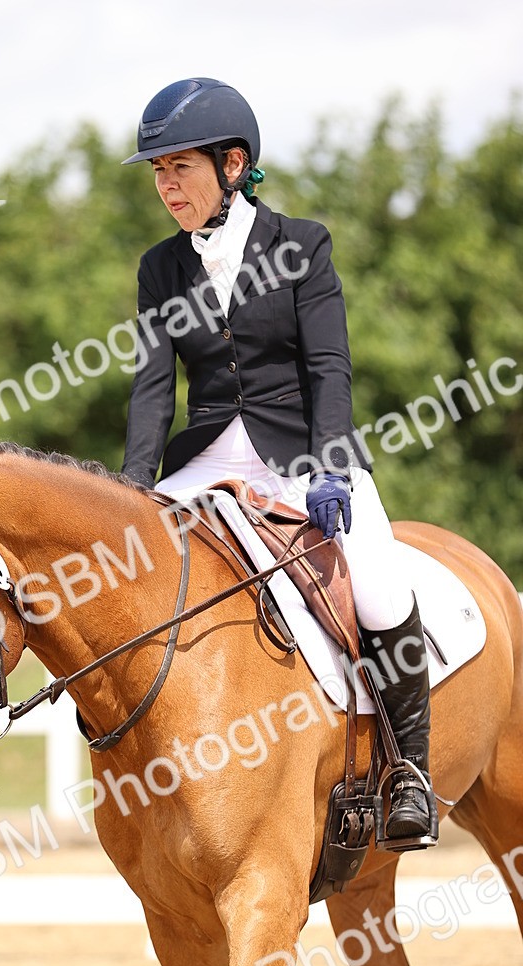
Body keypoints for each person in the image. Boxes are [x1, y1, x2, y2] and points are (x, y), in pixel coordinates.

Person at [120, 77, 435, 845]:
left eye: (179, 169)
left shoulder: (302, 246)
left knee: (382, 589)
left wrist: (332, 466)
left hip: (300, 453)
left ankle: (409, 777)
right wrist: (131, 489)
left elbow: (330, 366)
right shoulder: (161, 268)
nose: (166, 187)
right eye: (158, 173)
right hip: (205, 461)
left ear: (233, 165)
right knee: (128, 580)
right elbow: (154, 386)